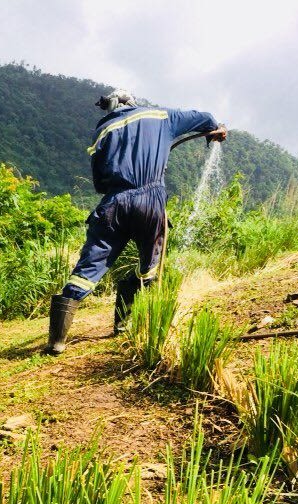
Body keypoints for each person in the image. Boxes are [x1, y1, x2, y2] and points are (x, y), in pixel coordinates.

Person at [45, 89, 227, 354]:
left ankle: (57, 341)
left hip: (113, 203)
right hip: (150, 200)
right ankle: (125, 322)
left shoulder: (102, 132)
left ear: (112, 107)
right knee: (150, 266)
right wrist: (215, 129)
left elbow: (99, 183)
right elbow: (207, 118)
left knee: (90, 265)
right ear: (131, 102)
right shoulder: (162, 116)